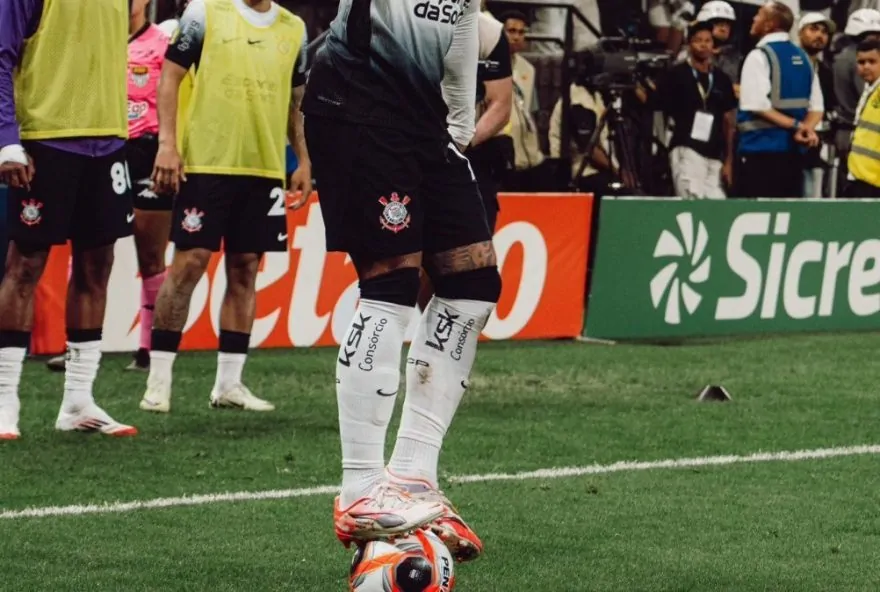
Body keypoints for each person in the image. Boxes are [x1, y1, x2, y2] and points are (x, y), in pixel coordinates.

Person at [303, 0, 501, 563]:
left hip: (427, 124)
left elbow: (463, 23)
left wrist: (459, 124)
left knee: (473, 282)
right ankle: (360, 488)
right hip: (356, 107)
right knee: (391, 279)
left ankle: (413, 473)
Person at [138, 0, 311, 414]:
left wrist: (304, 160)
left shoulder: (294, 28)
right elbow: (170, 77)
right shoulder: (203, 13)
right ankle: (158, 382)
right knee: (189, 264)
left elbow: (296, 102)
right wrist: (167, 144)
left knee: (245, 269)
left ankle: (229, 385)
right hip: (206, 164)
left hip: (263, 167)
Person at [0, 0, 138, 439]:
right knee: (25, 265)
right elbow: (2, 54)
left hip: (109, 140)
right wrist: (6, 138)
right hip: (45, 138)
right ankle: (3, 400)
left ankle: (78, 400)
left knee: (97, 267)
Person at [45, 0, 173, 374]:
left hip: (147, 152)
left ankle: (148, 349)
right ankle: (75, 347)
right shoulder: (95, 36)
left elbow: (178, 95)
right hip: (100, 147)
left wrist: (171, 147)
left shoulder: (163, 42)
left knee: (151, 257)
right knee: (86, 247)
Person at [736, 1, 824, 198]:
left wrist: (797, 126)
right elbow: (817, 107)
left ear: (769, 24)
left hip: (760, 151)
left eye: (759, 15)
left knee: (758, 212)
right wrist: (806, 129)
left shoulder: (759, 56)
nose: (754, 18)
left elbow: (757, 104)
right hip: (794, 154)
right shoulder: (805, 59)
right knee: (787, 212)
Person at [658, 22, 737, 199]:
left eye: (708, 41)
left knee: (717, 204)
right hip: (687, 148)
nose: (703, 45)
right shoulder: (676, 75)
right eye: (698, 40)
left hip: (715, 154)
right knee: (692, 202)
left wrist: (729, 160)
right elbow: (659, 107)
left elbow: (729, 120)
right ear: (688, 44)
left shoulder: (721, 78)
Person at [798, 12, 836, 197]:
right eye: (813, 29)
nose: (819, 35)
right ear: (800, 32)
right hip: (787, 142)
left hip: (815, 146)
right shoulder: (788, 64)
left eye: (824, 32)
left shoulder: (826, 72)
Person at [846, 38, 880, 196]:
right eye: (861, 62)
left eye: (872, 61)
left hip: (873, 180)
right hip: (861, 176)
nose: (866, 66)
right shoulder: (869, 89)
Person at [695, 1, 743, 94]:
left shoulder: (736, 58)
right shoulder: (690, 54)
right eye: (718, 23)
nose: (723, 28)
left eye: (727, 24)